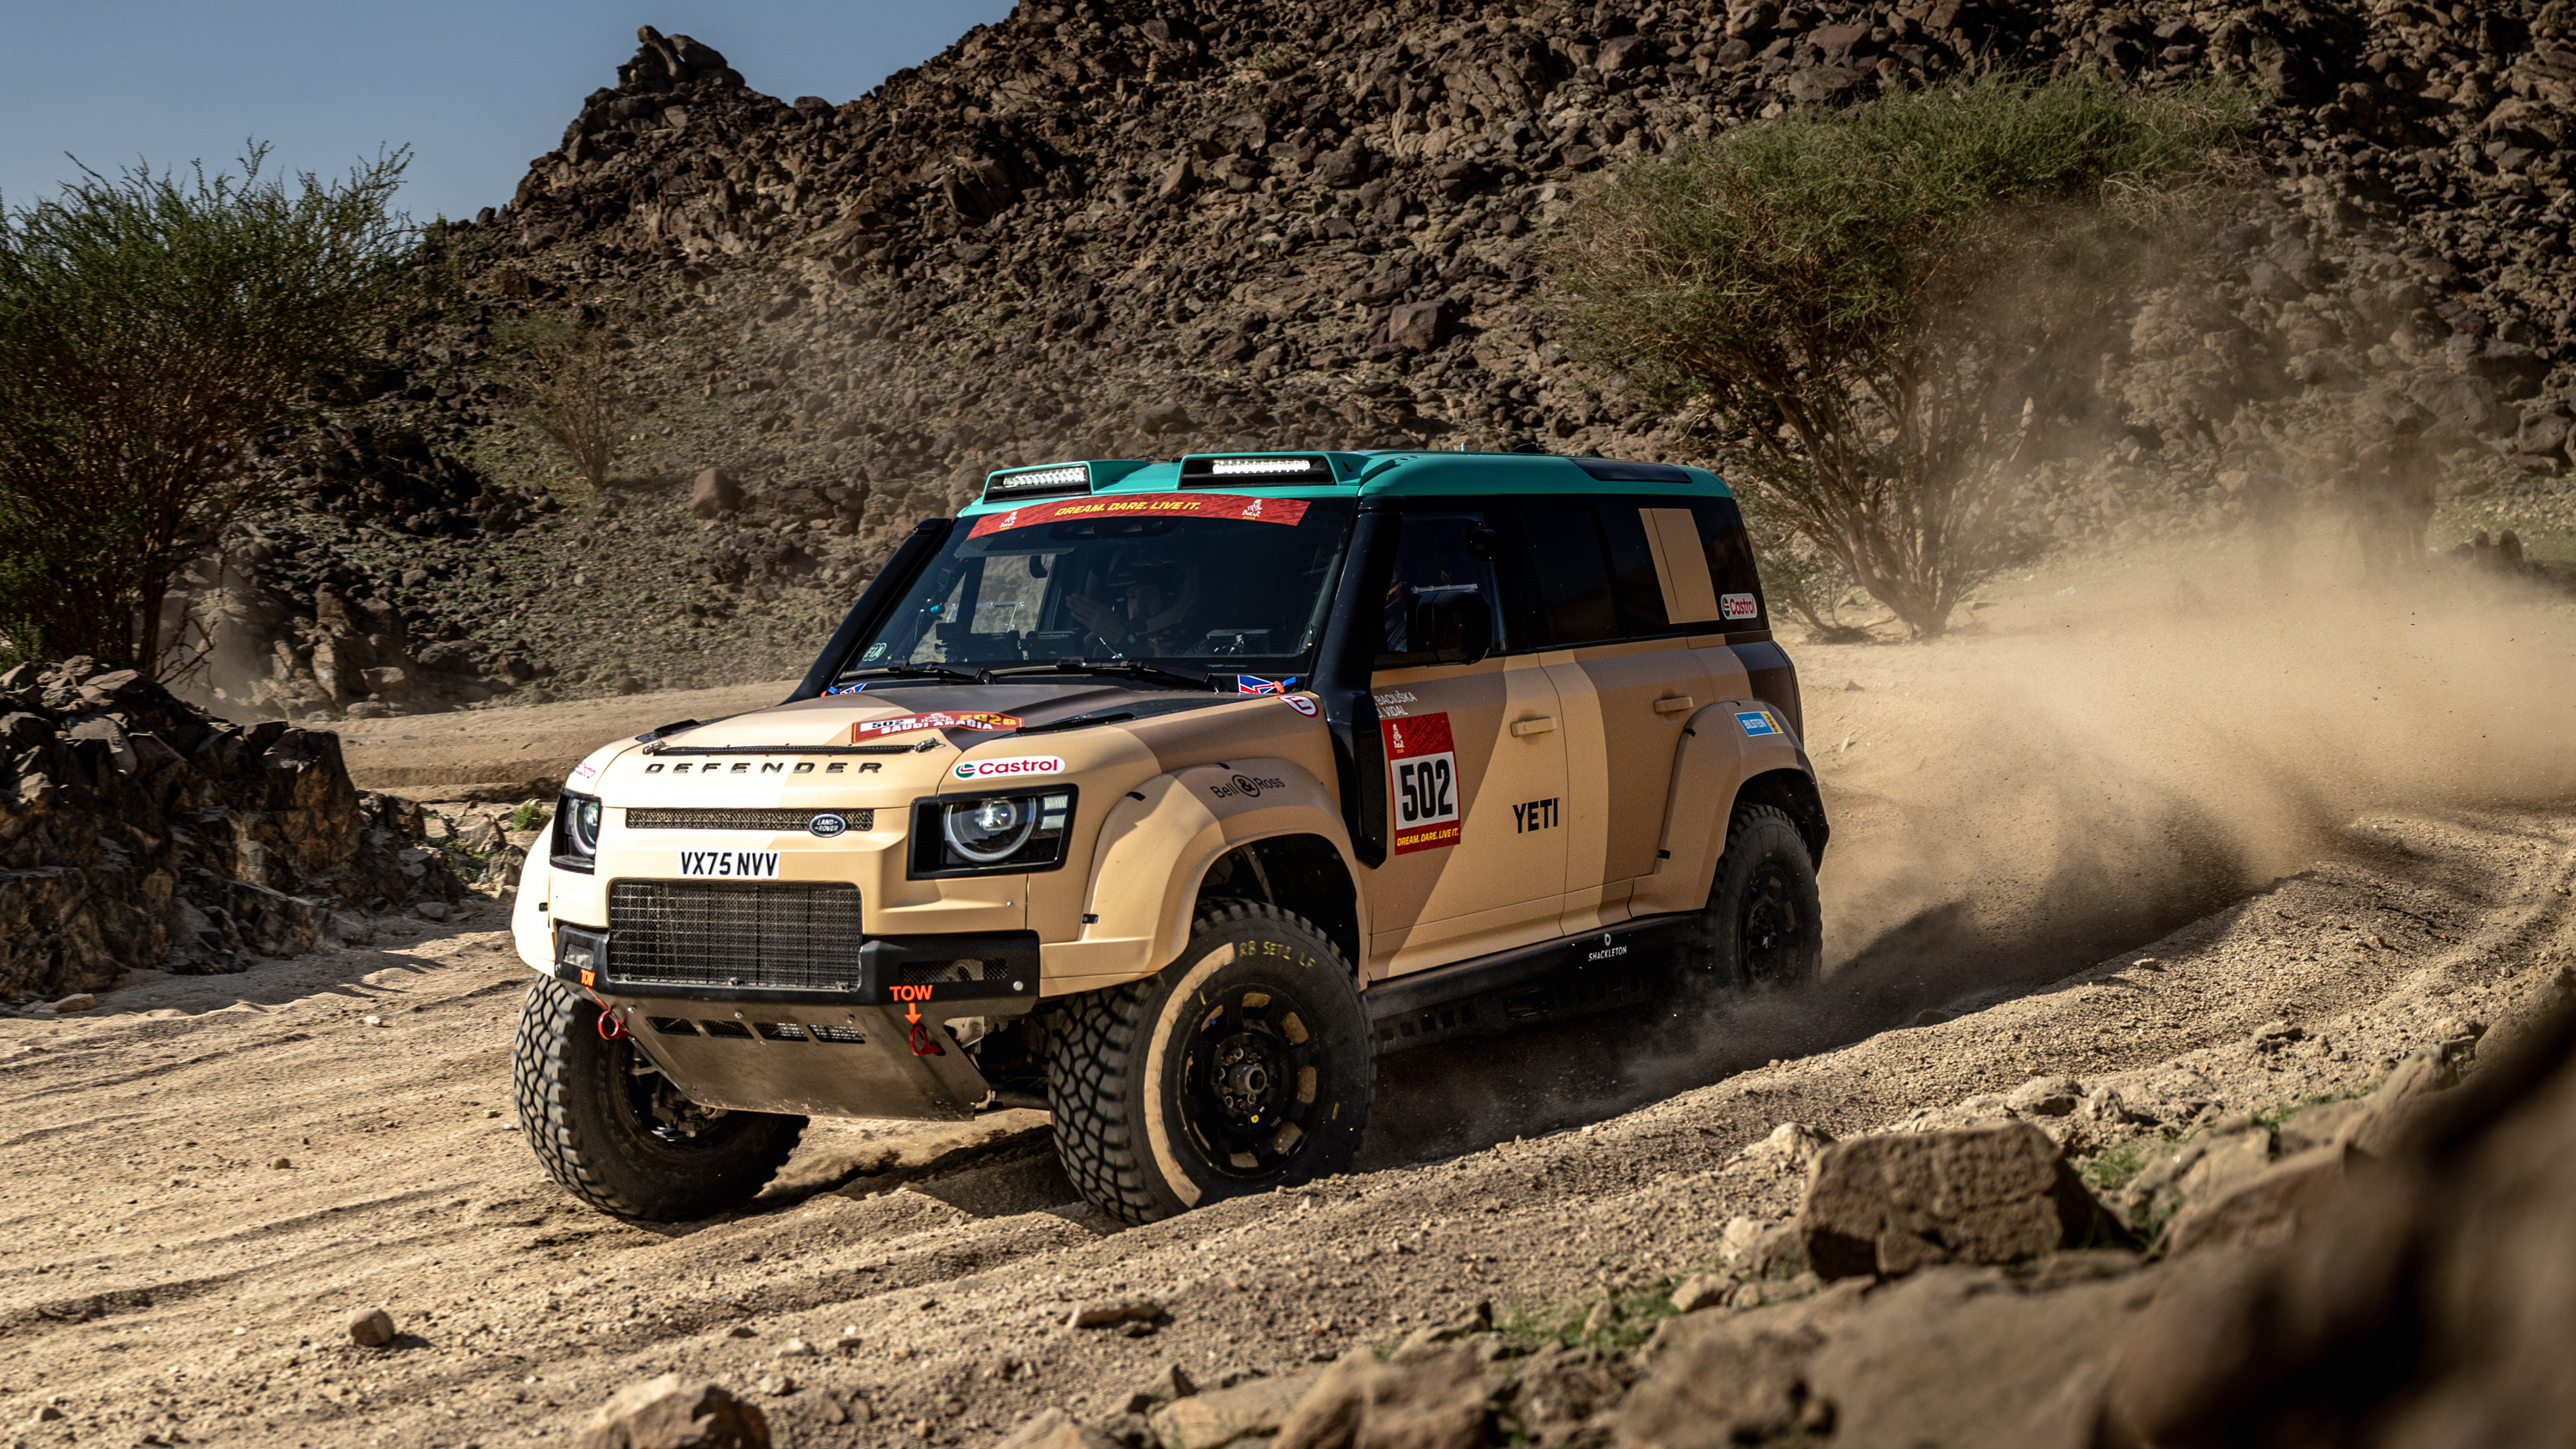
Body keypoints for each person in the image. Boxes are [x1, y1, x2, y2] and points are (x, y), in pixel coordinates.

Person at [1066, 560, 1200, 656]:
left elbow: (1173, 681)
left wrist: (1124, 640)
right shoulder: (1097, 643)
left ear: (1169, 599)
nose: (1138, 604)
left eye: (1149, 594)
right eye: (1132, 597)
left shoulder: (1198, 645)